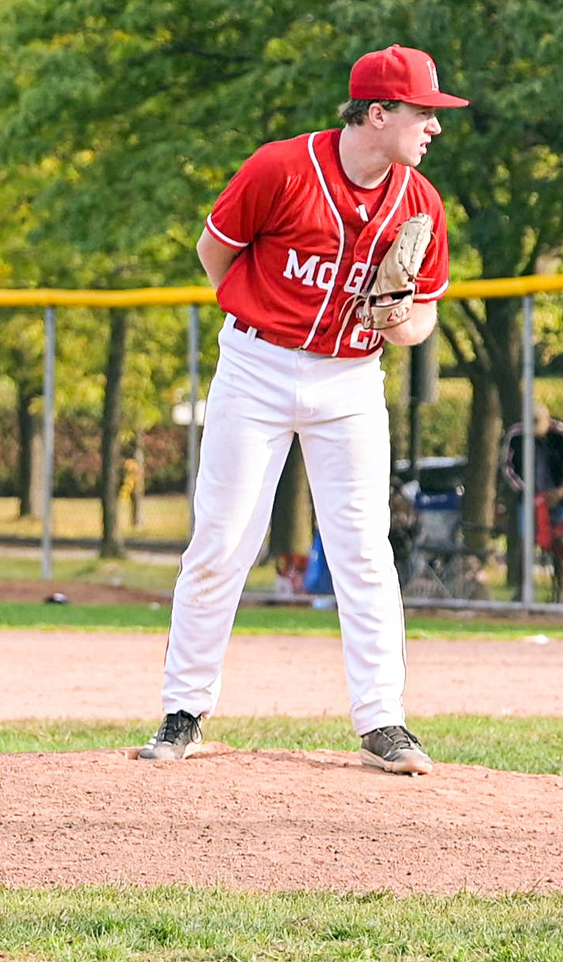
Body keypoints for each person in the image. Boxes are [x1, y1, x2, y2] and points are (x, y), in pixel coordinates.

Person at [141, 45, 465, 773]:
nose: (434, 128)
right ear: (377, 113)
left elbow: (422, 322)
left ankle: (384, 721)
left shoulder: (420, 202)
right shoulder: (281, 169)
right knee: (223, 539)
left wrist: (396, 320)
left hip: (352, 379)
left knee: (363, 550)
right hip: (256, 365)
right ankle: (184, 710)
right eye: (423, 113)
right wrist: (263, 316)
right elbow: (215, 253)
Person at [502, 401, 563, 530]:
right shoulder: (516, 435)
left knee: (559, 537)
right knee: (527, 536)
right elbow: (508, 467)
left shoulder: (562, 432)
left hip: (560, 495)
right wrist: (524, 490)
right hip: (528, 497)